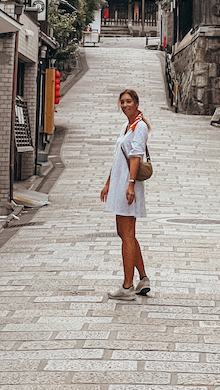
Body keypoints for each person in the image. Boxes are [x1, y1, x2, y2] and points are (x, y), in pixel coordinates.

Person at [100, 88, 151, 300]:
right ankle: (143, 278)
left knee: (127, 235)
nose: (125, 105)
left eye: (129, 101)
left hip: (128, 186)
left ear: (137, 103)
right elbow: (118, 158)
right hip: (119, 184)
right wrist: (108, 183)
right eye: (122, 102)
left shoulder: (140, 127)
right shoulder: (126, 127)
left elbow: (136, 156)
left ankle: (127, 286)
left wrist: (130, 185)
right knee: (124, 233)